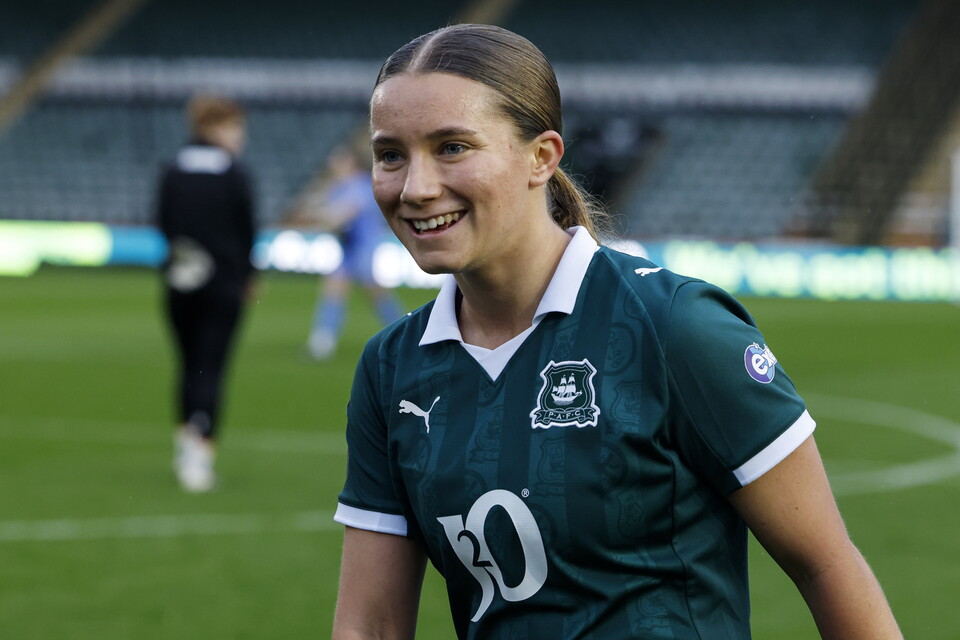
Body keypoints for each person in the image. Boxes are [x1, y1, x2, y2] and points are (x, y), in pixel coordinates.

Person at [332, 23, 902, 639]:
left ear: (542, 157)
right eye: (391, 155)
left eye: (452, 147)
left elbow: (826, 565)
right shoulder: (392, 367)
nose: (415, 188)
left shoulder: (675, 325)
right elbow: (371, 625)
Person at [156, 94, 256, 492]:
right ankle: (200, 453)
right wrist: (248, 274)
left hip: (180, 280)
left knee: (188, 364)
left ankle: (185, 443)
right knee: (211, 367)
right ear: (215, 126)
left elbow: (163, 222)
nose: (240, 137)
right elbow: (246, 229)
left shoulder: (172, 169)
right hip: (224, 284)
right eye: (235, 128)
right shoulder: (233, 173)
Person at [298, 142, 405, 360]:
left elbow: (346, 212)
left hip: (364, 246)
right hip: (349, 247)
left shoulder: (361, 184)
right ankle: (323, 341)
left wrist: (323, 218)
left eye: (339, 160)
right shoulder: (339, 186)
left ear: (351, 162)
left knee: (376, 294)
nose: (334, 164)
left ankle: (405, 333)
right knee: (335, 288)